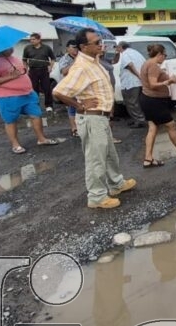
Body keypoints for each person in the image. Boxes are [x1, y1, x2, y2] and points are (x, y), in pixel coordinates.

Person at [52, 27, 137, 210]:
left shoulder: (95, 61)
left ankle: (116, 184)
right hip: (92, 118)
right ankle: (96, 196)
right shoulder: (81, 67)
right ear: (84, 47)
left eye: (101, 41)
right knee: (96, 159)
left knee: (109, 154)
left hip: (101, 117)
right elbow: (58, 92)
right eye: (97, 42)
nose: (101, 45)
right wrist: (79, 105)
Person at [0, 46, 61, 155]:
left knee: (36, 114)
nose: (12, 49)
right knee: (10, 120)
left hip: (27, 93)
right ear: (2, 48)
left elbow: (21, 72)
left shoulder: (14, 58)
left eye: (11, 47)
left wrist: (23, 71)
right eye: (9, 48)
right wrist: (10, 77)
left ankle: (41, 139)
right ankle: (15, 144)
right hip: (8, 96)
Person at [141, 42, 176, 166]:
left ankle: (148, 159)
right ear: (159, 54)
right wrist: (168, 81)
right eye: (165, 55)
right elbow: (153, 84)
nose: (165, 58)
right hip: (154, 101)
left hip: (147, 99)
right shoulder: (153, 66)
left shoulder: (146, 63)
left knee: (152, 128)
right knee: (171, 125)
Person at [21, 32, 56, 112]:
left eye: (33, 39)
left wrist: (50, 67)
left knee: (47, 88)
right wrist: (26, 69)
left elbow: (53, 58)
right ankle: (35, 104)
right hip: (33, 70)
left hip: (44, 70)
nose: (31, 41)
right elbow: (24, 60)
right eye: (30, 39)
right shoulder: (27, 48)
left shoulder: (46, 48)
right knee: (34, 88)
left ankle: (49, 105)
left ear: (39, 40)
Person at [53, 40, 81, 137]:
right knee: (72, 106)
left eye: (77, 47)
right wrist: (74, 62)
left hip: (81, 85)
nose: (75, 49)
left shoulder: (81, 56)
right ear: (68, 48)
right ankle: (74, 128)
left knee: (82, 106)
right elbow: (64, 72)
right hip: (70, 86)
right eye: (73, 47)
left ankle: (82, 127)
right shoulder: (64, 59)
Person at [116, 42, 146, 128]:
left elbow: (130, 65)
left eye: (117, 47)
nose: (116, 49)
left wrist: (138, 76)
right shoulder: (136, 53)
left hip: (130, 83)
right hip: (138, 83)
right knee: (136, 102)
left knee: (132, 103)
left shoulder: (125, 54)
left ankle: (139, 120)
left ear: (121, 47)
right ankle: (137, 119)